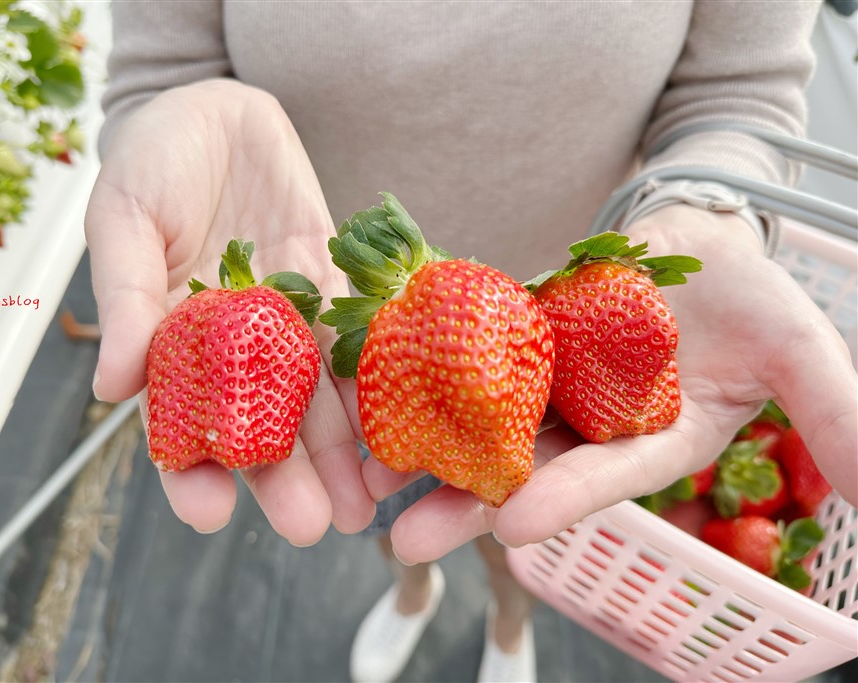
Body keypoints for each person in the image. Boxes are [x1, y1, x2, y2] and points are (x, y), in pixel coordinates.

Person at [86, 2, 857, 681]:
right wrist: (171, 116)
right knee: (391, 511)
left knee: (512, 521)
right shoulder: (336, 359)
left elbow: (737, 91)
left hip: (560, 332)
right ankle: (413, 587)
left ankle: (508, 616)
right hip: (340, 341)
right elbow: (164, 69)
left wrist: (707, 211)